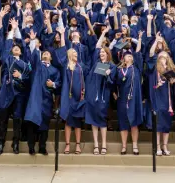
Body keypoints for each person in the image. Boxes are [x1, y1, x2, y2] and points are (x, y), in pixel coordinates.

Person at [0, 15, 31, 155]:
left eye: (18, 48)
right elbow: (8, 44)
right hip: (6, 91)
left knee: (17, 119)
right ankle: (0, 143)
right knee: (3, 120)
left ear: (21, 52)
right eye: (14, 48)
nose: (16, 48)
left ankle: (15, 143)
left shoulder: (24, 62)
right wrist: (13, 29)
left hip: (19, 93)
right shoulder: (7, 58)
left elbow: (28, 77)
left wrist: (20, 76)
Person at [25, 29, 62, 155]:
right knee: (32, 123)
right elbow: (34, 56)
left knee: (44, 125)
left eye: (47, 53)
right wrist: (34, 41)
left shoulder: (54, 70)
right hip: (35, 98)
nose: (45, 54)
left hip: (46, 99)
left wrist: (53, 84)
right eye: (43, 53)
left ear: (51, 57)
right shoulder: (37, 65)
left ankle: (42, 146)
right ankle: (31, 147)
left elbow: (59, 83)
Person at [52, 26, 87, 155]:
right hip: (68, 97)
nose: (76, 55)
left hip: (79, 98)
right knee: (68, 121)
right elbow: (62, 50)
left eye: (77, 54)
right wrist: (62, 35)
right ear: (69, 55)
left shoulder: (81, 67)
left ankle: (77, 145)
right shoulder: (66, 65)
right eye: (74, 54)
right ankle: (67, 145)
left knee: (77, 122)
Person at [85, 26, 117, 155]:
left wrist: (108, 74)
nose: (101, 53)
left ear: (108, 54)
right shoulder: (96, 63)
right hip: (92, 95)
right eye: (101, 53)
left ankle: (103, 144)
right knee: (93, 119)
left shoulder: (112, 66)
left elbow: (111, 83)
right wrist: (103, 33)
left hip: (103, 96)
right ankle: (96, 145)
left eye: (104, 52)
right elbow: (98, 46)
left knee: (102, 119)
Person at [147, 33, 175, 156]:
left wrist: (173, 81)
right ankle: (158, 146)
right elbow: (150, 54)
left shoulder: (171, 70)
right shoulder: (153, 70)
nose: (163, 59)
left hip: (167, 100)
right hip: (156, 98)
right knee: (158, 122)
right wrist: (157, 41)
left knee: (166, 122)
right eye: (160, 57)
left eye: (165, 57)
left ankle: (165, 146)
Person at [115, 32, 143, 155]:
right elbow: (115, 83)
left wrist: (139, 39)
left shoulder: (137, 68)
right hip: (122, 98)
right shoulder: (119, 70)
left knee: (134, 122)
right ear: (123, 58)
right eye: (127, 56)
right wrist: (123, 40)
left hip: (134, 99)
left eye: (131, 56)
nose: (130, 57)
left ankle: (135, 145)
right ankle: (124, 146)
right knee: (123, 122)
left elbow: (137, 53)